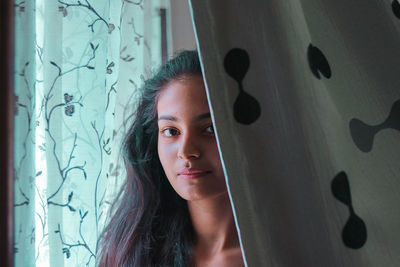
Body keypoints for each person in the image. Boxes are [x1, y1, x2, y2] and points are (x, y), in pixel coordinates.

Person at [98, 50, 244, 266]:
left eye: (210, 128)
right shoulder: (132, 251)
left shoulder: (290, 249)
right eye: (171, 131)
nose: (186, 151)